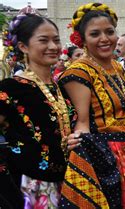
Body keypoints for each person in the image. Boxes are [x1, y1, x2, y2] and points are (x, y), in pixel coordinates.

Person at [57, 3, 125, 208]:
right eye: (95, 34)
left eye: (109, 32)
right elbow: (83, 122)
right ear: (82, 40)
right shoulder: (79, 72)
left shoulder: (117, 67)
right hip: (107, 156)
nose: (104, 39)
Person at [0, 13, 74, 208]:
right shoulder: (10, 88)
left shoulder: (62, 86)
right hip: (31, 186)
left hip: (70, 182)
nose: (53, 46)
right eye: (43, 40)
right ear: (23, 46)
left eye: (56, 40)